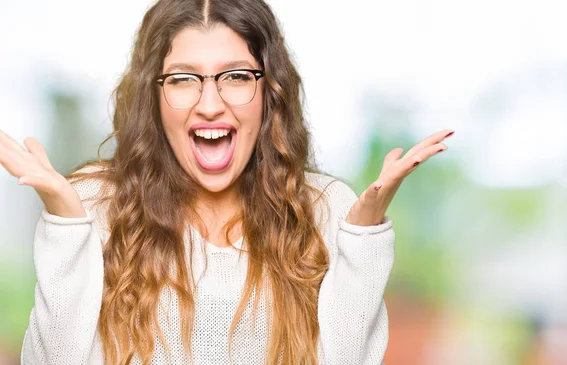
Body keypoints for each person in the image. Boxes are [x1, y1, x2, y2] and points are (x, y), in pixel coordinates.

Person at [0, 0, 453, 363]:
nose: (210, 105)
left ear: (269, 92)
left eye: (236, 77)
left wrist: (364, 235)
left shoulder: (325, 208)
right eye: (183, 79)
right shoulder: (94, 204)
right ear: (154, 96)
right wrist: (64, 224)